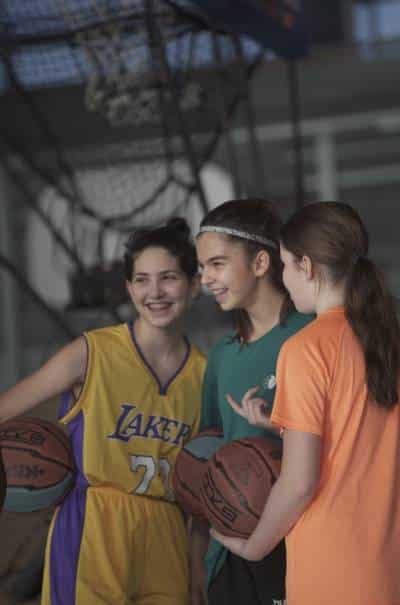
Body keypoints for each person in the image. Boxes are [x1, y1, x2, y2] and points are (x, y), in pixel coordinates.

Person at [0, 218, 206, 605]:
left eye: (169, 278)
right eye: (142, 280)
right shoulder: (91, 352)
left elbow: (198, 487)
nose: (155, 291)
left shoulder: (204, 374)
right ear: (128, 289)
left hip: (167, 531)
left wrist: (197, 564)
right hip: (94, 523)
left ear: (194, 284)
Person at [212, 201, 400, 605]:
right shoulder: (386, 341)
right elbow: (364, 438)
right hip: (387, 568)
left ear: (307, 267)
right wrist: (277, 424)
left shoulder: (306, 348)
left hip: (329, 569)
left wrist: (255, 546)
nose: (284, 278)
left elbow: (298, 483)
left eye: (284, 265)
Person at [192, 199, 314, 605]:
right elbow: (209, 448)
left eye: (218, 264)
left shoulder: (313, 336)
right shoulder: (222, 355)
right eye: (202, 267)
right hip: (231, 551)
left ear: (261, 263)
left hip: (302, 542)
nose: (206, 278)